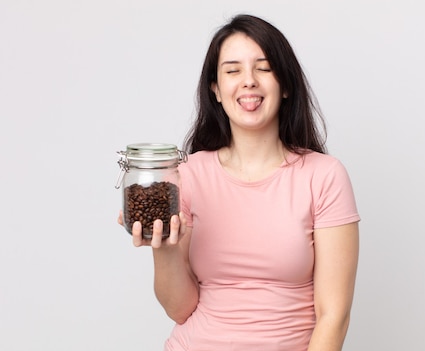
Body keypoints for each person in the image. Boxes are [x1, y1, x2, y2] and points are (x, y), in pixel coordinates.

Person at [118, 14, 360, 351]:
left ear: (286, 85)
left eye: (263, 68)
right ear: (216, 90)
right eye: (232, 70)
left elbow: (334, 314)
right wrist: (165, 249)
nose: (248, 81)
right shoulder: (187, 174)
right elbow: (179, 308)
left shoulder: (324, 176)